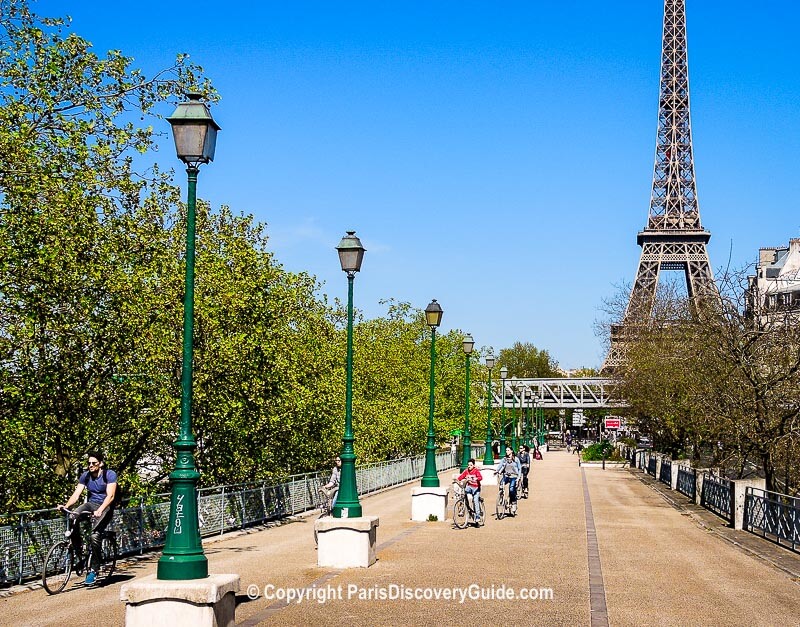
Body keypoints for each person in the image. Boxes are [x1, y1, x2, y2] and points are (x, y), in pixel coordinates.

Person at [58, 451, 117, 585]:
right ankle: (79, 553)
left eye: (94, 463)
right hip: (91, 504)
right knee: (73, 517)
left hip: (105, 506)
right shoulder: (86, 476)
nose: (90, 465)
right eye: (89, 463)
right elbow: (76, 494)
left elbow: (111, 496)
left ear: (100, 464)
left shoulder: (109, 474)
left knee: (95, 535)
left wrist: (100, 510)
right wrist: (66, 506)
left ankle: (93, 570)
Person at [456, 458, 483, 524]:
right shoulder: (466, 471)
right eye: (468, 465)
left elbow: (480, 477)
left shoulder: (476, 471)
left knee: (475, 500)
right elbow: (461, 477)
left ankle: (477, 516)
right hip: (469, 487)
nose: (469, 466)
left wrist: (477, 478)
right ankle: (462, 507)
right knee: (462, 493)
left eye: (470, 465)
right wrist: (456, 480)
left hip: (476, 488)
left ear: (473, 465)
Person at [496, 447, 521, 511]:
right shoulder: (504, 459)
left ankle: (513, 503)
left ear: (511, 451)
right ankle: (501, 497)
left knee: (511, 489)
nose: (507, 451)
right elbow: (500, 465)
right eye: (506, 450)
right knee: (501, 485)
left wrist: (518, 478)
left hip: (513, 476)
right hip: (506, 475)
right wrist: (497, 471)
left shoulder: (516, 459)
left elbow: (519, 468)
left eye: (508, 450)